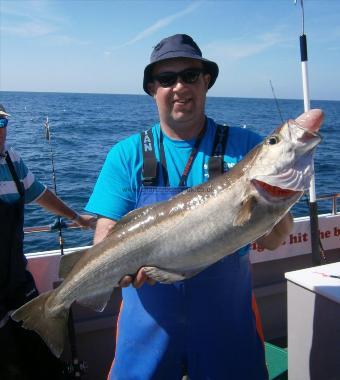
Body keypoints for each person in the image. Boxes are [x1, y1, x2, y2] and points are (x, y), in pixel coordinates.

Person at [86, 34, 293, 380]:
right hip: (145, 332)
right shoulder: (126, 156)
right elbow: (106, 232)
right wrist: (113, 269)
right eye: (167, 79)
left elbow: (272, 241)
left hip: (229, 328)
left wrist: (278, 202)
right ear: (152, 89)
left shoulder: (249, 149)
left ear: (206, 82)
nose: (180, 86)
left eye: (190, 75)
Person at [0, 104, 96, 379]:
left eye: (1, 123)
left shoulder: (12, 162)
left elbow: (41, 194)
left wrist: (76, 218)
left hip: (17, 280)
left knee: (40, 347)